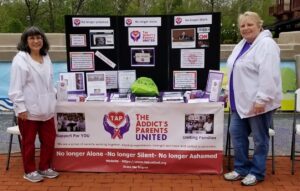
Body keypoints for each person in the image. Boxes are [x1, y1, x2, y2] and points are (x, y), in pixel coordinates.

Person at [223, 11, 282, 186]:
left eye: (250, 24)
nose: (246, 28)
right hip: (239, 102)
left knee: (259, 139)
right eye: (242, 25)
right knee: (237, 135)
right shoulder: (242, 44)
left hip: (257, 103)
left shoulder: (266, 44)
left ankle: (257, 172)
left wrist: (262, 100)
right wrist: (227, 91)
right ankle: (241, 168)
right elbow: (234, 70)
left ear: (259, 25)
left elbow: (268, 74)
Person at [8, 26, 59, 183]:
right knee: (29, 142)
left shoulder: (46, 56)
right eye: (32, 38)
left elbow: (48, 82)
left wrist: (55, 95)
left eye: (39, 38)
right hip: (28, 110)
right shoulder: (20, 60)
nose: (36, 41)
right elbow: (15, 88)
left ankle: (45, 167)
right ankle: (29, 171)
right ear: (25, 41)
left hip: (47, 109)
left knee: (49, 140)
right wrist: (21, 108)